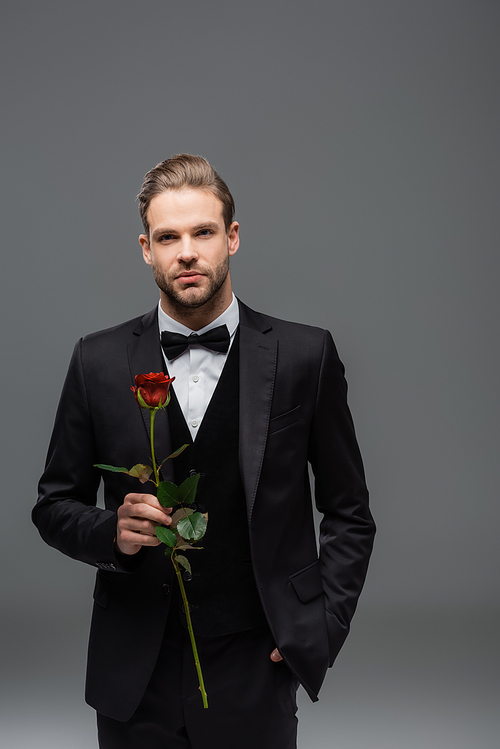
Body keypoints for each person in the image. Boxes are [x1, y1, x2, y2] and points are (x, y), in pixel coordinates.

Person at [33, 154, 375, 749]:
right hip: (134, 670)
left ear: (232, 238)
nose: (186, 252)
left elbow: (349, 513)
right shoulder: (96, 360)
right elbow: (53, 505)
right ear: (146, 249)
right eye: (168, 237)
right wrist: (111, 531)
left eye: (203, 233)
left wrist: (319, 627)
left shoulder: (304, 356)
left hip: (257, 662)